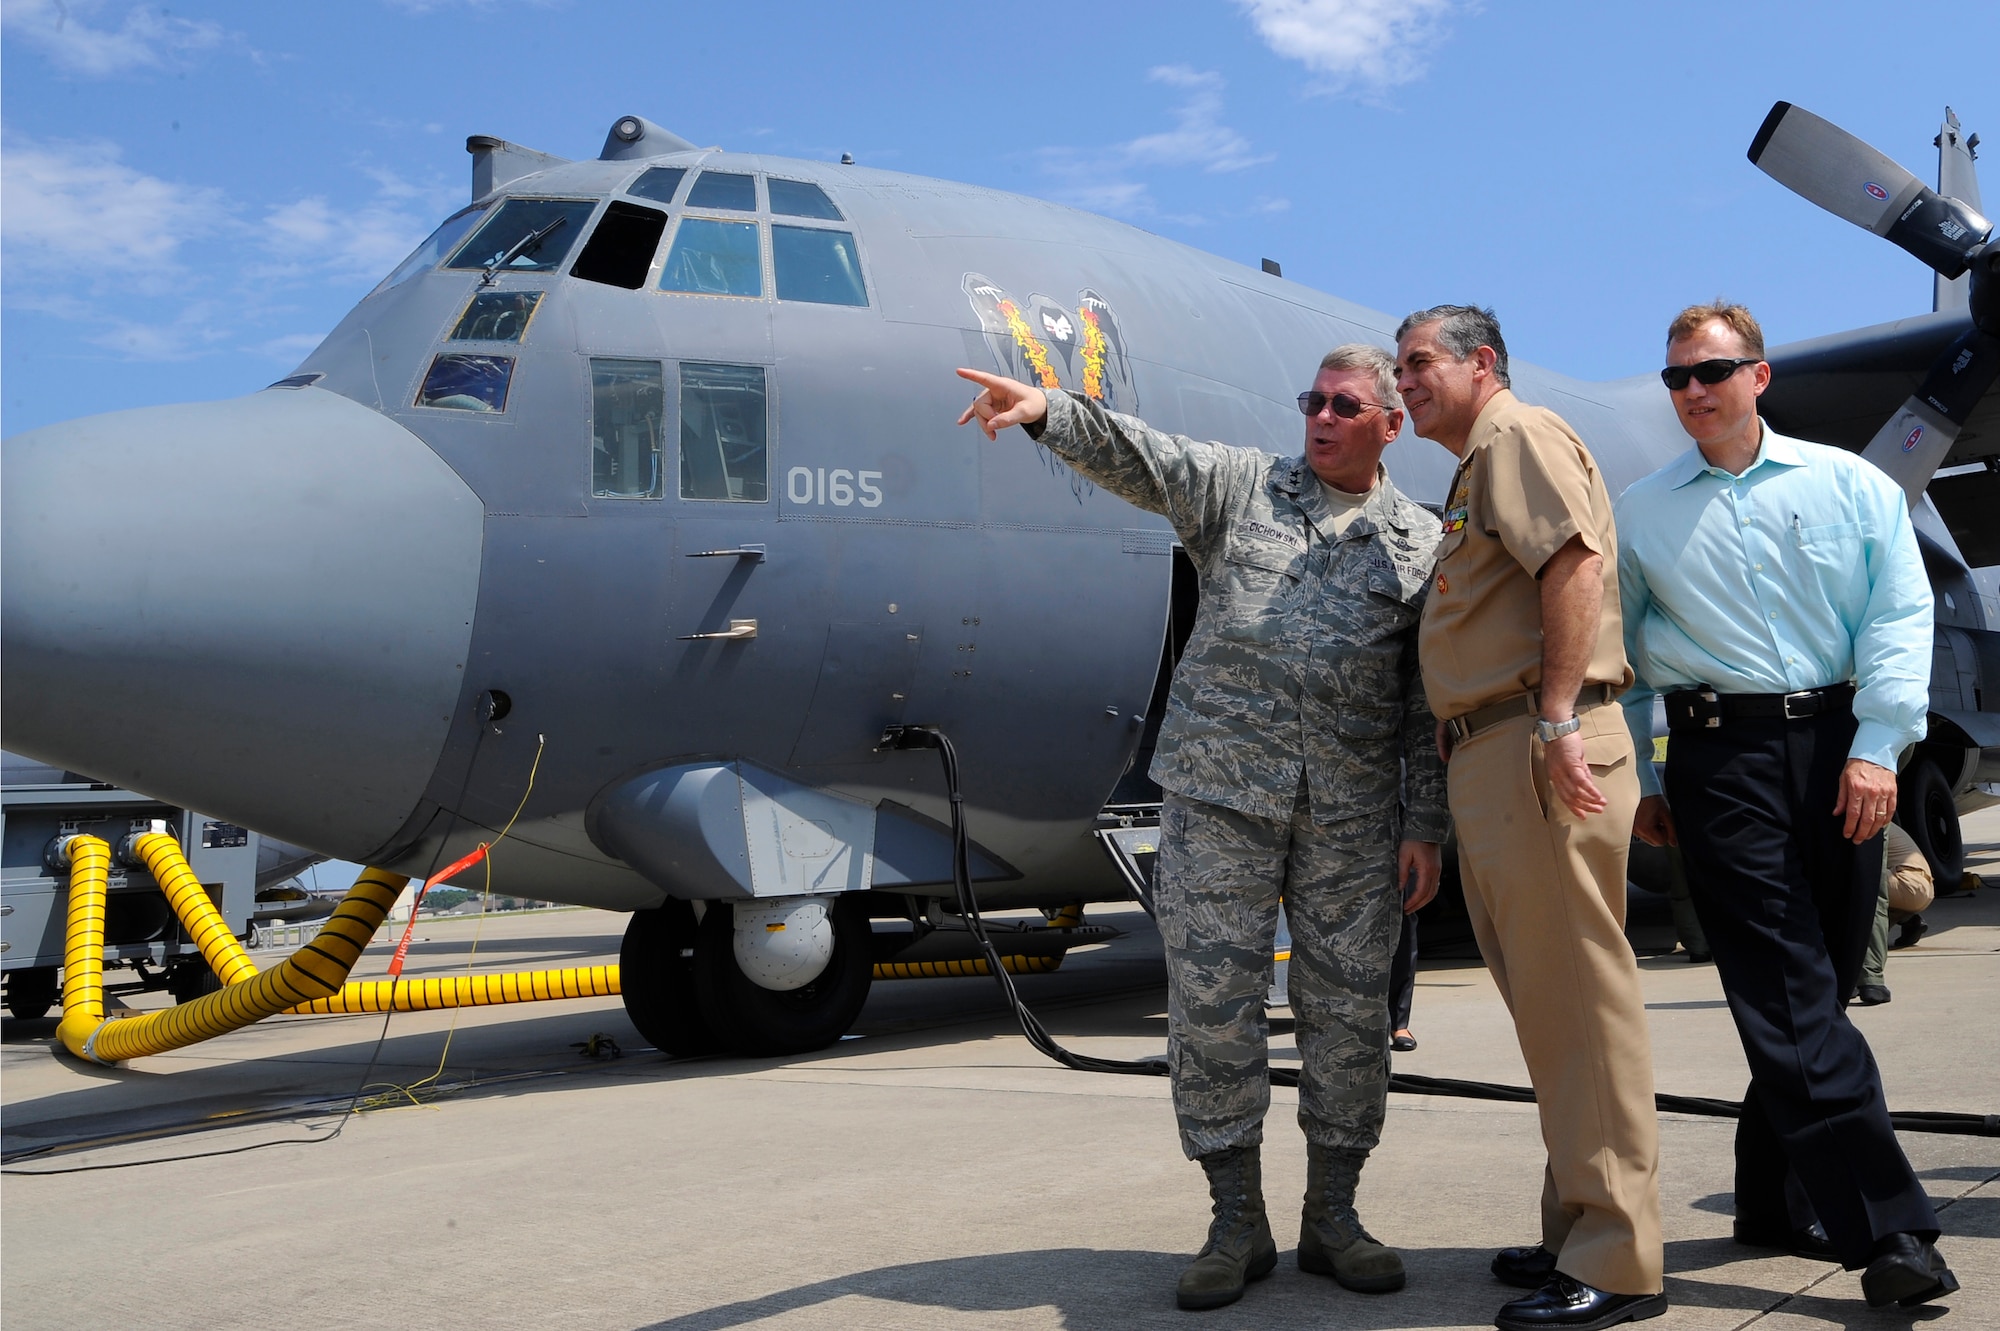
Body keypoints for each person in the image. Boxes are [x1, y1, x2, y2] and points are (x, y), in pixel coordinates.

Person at [957, 346, 1446, 1311]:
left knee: (1349, 1016)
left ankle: (1334, 1216)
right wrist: (1049, 409)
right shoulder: (1243, 489)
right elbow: (1143, 454)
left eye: (1346, 405)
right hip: (1218, 801)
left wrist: (1424, 821)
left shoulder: (1419, 543)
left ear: (1390, 424)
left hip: (1349, 813)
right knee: (1213, 1009)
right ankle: (1235, 1221)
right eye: (1312, 399)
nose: (1322, 416)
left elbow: (1425, 704)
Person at [1618, 300, 1956, 1310]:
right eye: (1674, 376)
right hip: (1717, 761)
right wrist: (1644, 774)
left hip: (1839, 751)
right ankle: (1889, 1226)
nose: (1690, 392)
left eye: (1710, 371)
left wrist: (1876, 744)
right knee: (1788, 991)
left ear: (1757, 375)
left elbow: (1897, 614)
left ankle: (1767, 1197)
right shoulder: (1640, 510)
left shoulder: (1849, 485)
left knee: (1819, 988)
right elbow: (1626, 663)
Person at [1396, 304, 1666, 1331]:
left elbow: (1573, 562)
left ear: (1481, 364)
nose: (1402, 379)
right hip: (1494, 751)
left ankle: (1617, 1252)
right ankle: (1574, 1222)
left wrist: (1554, 716)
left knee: (1580, 1007)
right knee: (1548, 1009)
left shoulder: (1514, 435)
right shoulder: (1479, 461)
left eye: (1417, 362)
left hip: (1534, 746)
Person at [1857, 821, 1936, 1005]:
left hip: (1902, 880)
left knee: (1856, 884)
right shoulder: (1882, 814)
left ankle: (1865, 978)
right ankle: (1908, 918)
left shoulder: (1861, 817)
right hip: (1923, 887)